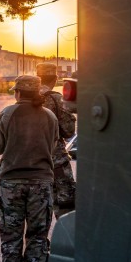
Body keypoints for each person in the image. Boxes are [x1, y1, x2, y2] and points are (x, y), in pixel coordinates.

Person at [0, 75, 59, 262]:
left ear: (18, 92)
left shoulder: (7, 114)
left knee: (11, 236)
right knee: (38, 237)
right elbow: (53, 146)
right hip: (41, 184)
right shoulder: (49, 116)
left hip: (12, 184)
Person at [37, 62, 77, 219]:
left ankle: (39, 243)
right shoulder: (56, 99)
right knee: (65, 205)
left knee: (37, 210)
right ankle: (66, 240)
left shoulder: (23, 98)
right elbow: (68, 131)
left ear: (38, 78)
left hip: (30, 161)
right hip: (55, 161)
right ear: (55, 78)